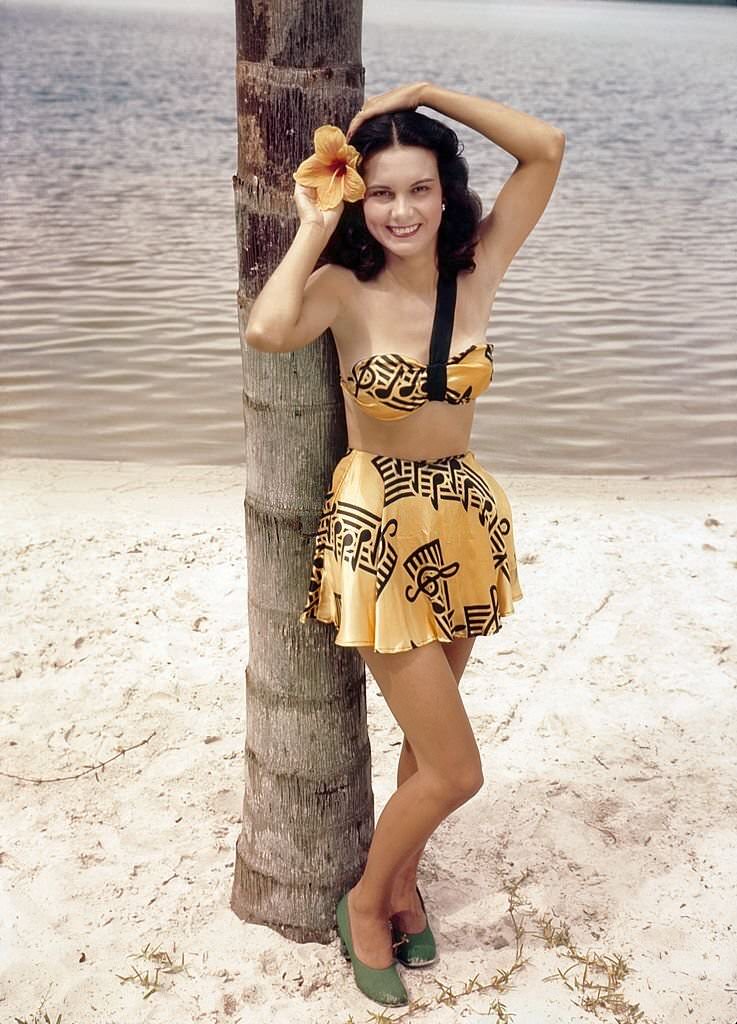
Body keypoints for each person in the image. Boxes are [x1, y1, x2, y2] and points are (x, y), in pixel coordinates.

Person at [245, 81, 565, 1007]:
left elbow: (542, 147)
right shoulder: (345, 286)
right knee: (459, 769)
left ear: (445, 192)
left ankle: (405, 881)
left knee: (427, 757)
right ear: (360, 198)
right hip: (377, 530)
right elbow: (268, 330)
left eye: (417, 189)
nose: (398, 210)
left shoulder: (478, 267)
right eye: (379, 191)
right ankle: (366, 904)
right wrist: (315, 218)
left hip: (460, 520)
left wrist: (425, 92)